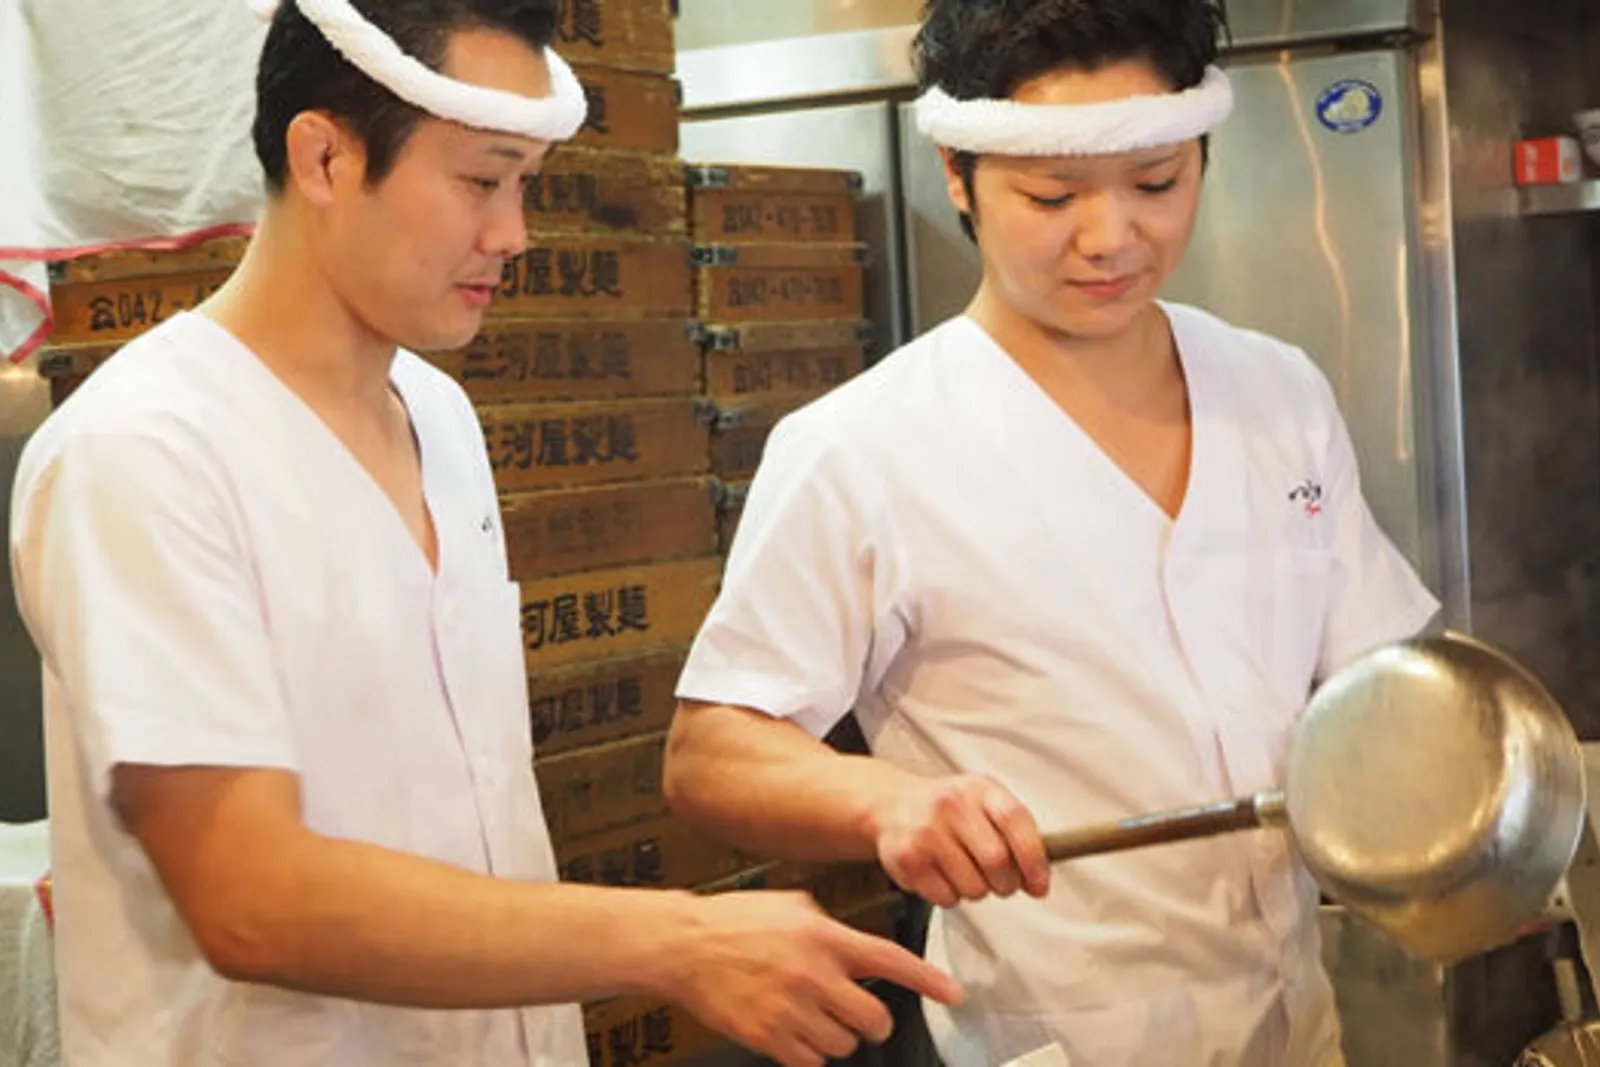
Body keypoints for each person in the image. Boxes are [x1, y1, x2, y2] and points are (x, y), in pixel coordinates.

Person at [6, 2, 961, 1065]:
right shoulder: (145, 450)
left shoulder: (440, 416)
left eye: (524, 184)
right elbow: (250, 897)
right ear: (323, 154)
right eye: (479, 179)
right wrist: (677, 936)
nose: (512, 233)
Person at [662, 1, 1441, 1065]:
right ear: (957, 174)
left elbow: (1374, 686)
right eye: (1051, 194)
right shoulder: (861, 447)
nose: (1111, 236)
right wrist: (886, 799)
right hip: (1048, 1034)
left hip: (1293, 1023)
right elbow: (711, 754)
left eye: (1157, 184)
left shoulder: (1277, 392)